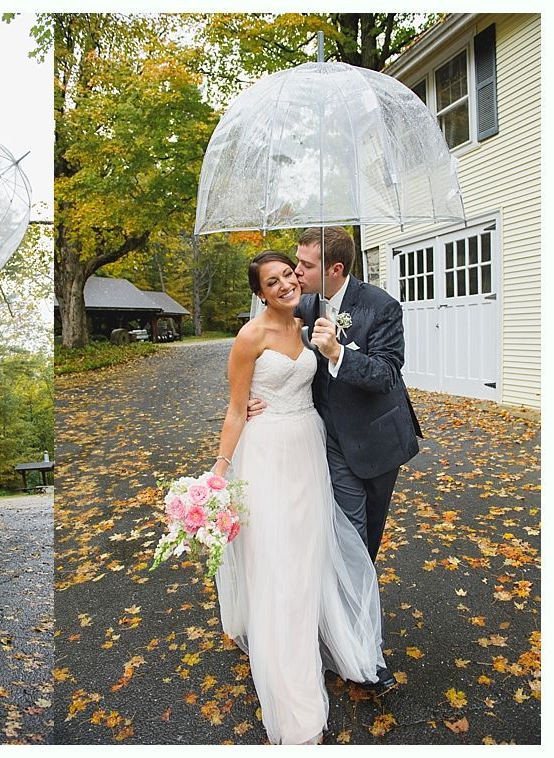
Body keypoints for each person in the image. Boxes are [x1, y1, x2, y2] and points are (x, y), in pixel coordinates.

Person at [211, 251, 384, 745]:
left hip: (309, 446)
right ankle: (290, 683)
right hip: (266, 452)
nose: (286, 284)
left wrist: (333, 348)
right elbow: (235, 409)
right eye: (273, 281)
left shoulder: (312, 321)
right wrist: (219, 471)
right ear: (260, 293)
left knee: (309, 550)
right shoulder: (250, 337)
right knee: (276, 559)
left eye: (290, 274)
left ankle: (314, 634)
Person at [251, 227, 422, 692]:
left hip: (381, 442)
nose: (295, 274)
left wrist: (338, 352)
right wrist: (252, 398)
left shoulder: (380, 306)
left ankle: (343, 626)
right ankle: (362, 656)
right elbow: (259, 351)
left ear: (336, 269)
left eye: (303, 266)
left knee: (366, 546)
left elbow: (387, 373)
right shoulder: (299, 304)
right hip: (329, 446)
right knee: (346, 545)